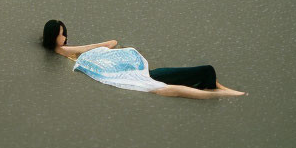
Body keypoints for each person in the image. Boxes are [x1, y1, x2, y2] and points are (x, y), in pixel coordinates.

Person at [42, 20, 245, 99]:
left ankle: (221, 90)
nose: (65, 37)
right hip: (141, 75)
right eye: (61, 34)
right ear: (54, 38)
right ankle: (223, 92)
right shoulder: (64, 50)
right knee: (204, 71)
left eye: (64, 33)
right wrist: (99, 45)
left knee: (195, 74)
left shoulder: (62, 51)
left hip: (141, 74)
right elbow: (108, 44)